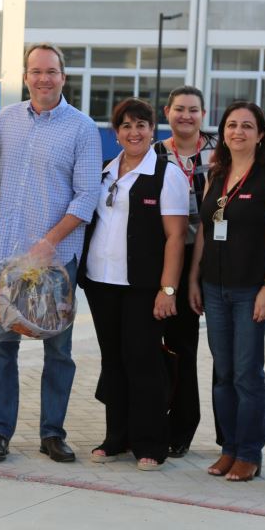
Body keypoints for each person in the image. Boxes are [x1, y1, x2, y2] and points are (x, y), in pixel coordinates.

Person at [0, 43, 102, 463]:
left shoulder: (82, 128)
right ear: (26, 76)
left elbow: (88, 196)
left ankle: (52, 433)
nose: (43, 79)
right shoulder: (6, 120)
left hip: (55, 261)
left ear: (63, 77)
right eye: (36, 71)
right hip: (6, 255)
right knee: (1, 348)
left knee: (59, 350)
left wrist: (50, 241)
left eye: (51, 72)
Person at [80, 98, 188, 471]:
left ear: (152, 130)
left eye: (141, 125)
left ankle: (151, 443)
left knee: (143, 362)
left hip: (143, 286)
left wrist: (168, 289)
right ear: (116, 133)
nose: (134, 132)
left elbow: (175, 238)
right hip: (101, 282)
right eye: (126, 126)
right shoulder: (106, 172)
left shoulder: (166, 174)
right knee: (114, 362)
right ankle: (117, 437)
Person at [189, 101, 265, 482]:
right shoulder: (216, 173)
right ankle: (229, 448)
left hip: (251, 289)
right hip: (214, 289)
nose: (238, 132)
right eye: (231, 125)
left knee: (247, 373)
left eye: (247, 126)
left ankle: (249, 453)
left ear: (260, 134)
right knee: (223, 371)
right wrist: (192, 279)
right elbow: (204, 229)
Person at [154, 85, 221, 457]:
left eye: (193, 110)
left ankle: (187, 426)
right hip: (167, 256)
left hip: (210, 256)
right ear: (167, 112)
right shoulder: (153, 153)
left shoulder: (220, 150)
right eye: (179, 109)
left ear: (203, 113)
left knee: (193, 347)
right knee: (164, 348)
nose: (186, 116)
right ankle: (159, 420)